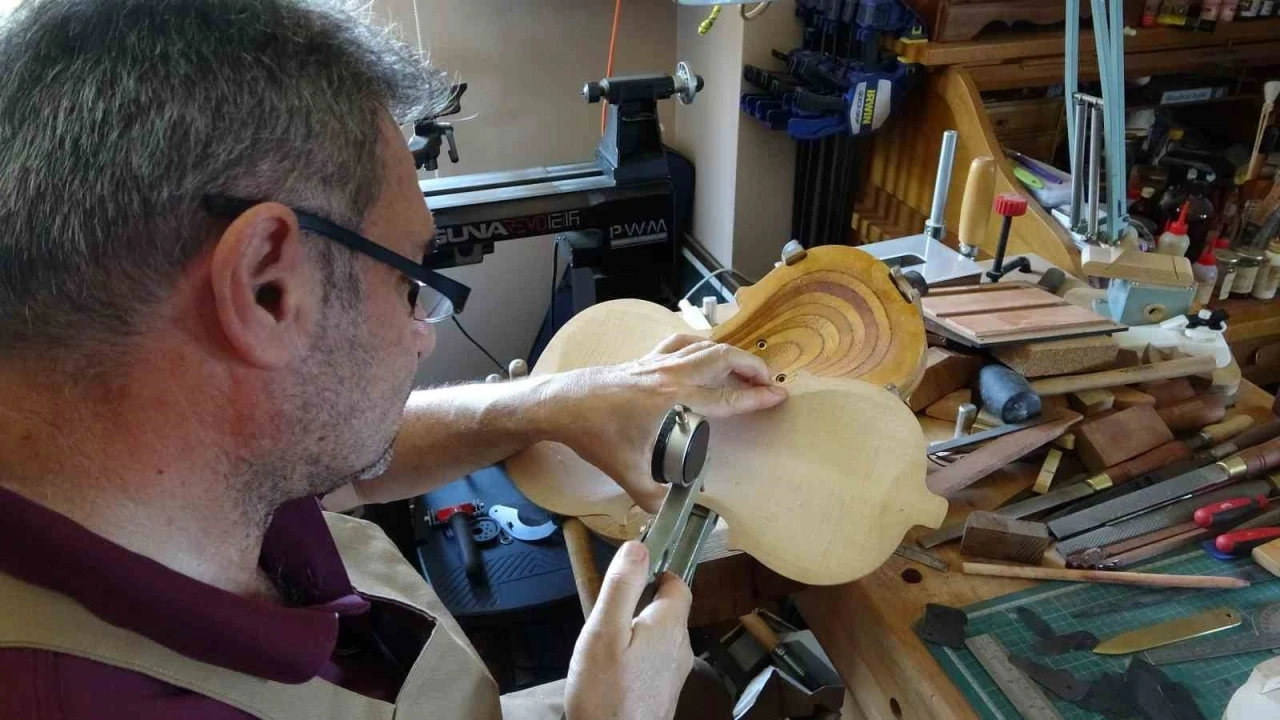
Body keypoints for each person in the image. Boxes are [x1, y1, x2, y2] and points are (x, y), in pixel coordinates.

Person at [0, 1, 787, 718]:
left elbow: (343, 454)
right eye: (412, 282)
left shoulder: (134, 456)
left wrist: (545, 404)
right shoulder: (74, 695)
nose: (424, 333)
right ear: (267, 289)